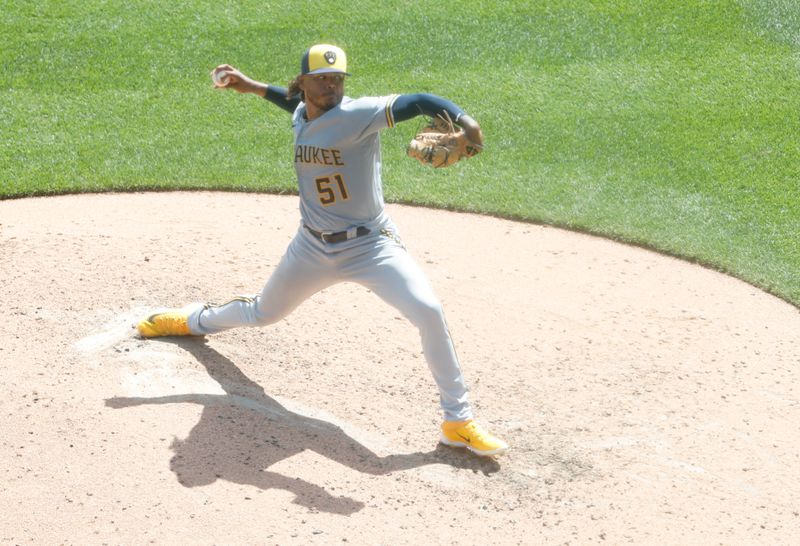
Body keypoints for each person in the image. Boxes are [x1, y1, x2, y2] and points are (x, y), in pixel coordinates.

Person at [137, 44, 508, 457]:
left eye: (337, 79)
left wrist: (466, 121)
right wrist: (253, 87)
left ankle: (458, 421)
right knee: (263, 312)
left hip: (371, 246)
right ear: (304, 83)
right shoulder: (302, 112)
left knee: (429, 312)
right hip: (311, 247)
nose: (331, 86)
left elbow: (420, 102)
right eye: (322, 79)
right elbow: (296, 107)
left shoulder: (358, 114)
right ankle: (194, 320)